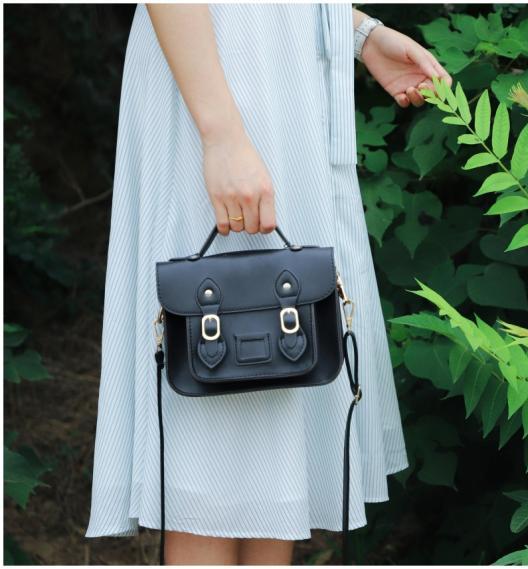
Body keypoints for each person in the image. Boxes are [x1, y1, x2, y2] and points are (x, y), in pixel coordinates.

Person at [84, 3, 451, 565]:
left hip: (286, 86)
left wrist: (362, 35)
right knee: (211, 409)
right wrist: (222, 135)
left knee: (280, 380)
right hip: (220, 75)